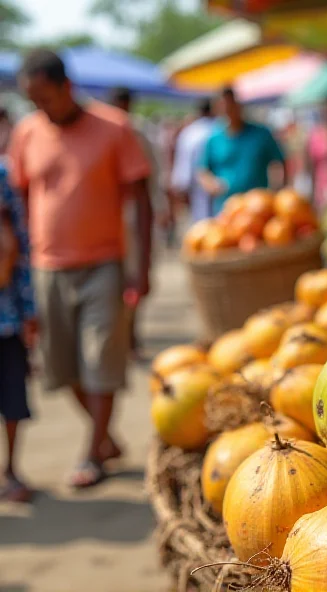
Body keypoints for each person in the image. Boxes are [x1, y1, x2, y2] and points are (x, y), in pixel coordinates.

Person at [7, 49, 153, 488]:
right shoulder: (27, 132)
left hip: (103, 264)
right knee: (62, 367)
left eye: (45, 98)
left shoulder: (114, 128)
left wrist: (141, 268)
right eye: (32, 101)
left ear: (67, 88)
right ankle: (105, 437)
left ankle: (92, 453)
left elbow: (141, 201)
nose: (40, 108)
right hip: (47, 267)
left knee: (100, 359)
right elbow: (17, 202)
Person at [108, 87, 162, 359]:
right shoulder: (104, 132)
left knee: (132, 277)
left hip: (131, 217)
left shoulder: (137, 133)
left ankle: (131, 335)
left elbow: (149, 179)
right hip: (106, 220)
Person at [0, 160, 36, 502]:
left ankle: (10, 469)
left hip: (6, 318)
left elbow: (19, 248)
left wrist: (29, 310)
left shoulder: (2, 174)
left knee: (12, 397)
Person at [198, 87, 286, 214]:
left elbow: (278, 163)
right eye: (224, 106)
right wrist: (212, 185)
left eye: (231, 104)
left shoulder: (261, 134)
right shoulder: (214, 139)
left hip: (258, 208)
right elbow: (203, 170)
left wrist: (277, 191)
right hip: (226, 209)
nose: (229, 110)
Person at [171, 98, 216, 221]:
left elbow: (183, 168)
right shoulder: (220, 128)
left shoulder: (190, 132)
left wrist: (181, 189)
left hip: (199, 189)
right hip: (216, 186)